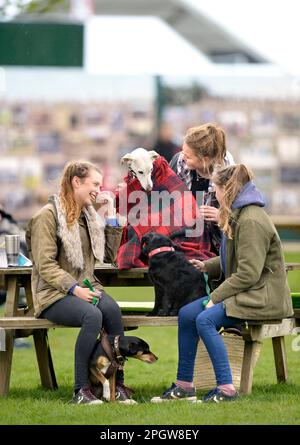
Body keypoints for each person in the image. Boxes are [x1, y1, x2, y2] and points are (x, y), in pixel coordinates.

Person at [151, 164, 293, 403]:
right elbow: (238, 258)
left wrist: (215, 298)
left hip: (262, 296)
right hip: (249, 291)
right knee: (187, 314)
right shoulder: (240, 214)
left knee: (205, 319)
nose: (213, 193)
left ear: (228, 189)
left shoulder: (251, 220)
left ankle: (226, 389)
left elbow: (248, 273)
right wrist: (207, 265)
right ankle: (184, 385)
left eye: (215, 188)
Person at [26, 160, 136, 405]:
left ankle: (116, 386)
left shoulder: (89, 217)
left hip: (86, 286)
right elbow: (45, 265)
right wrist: (75, 289)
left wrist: (113, 219)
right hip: (53, 293)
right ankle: (81, 390)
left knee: (112, 311)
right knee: (92, 317)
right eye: (94, 184)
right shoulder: (47, 216)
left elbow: (108, 257)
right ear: (76, 182)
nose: (99, 188)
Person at [169, 123, 235, 254]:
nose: (183, 157)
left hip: (217, 246)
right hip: (182, 240)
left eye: (188, 156)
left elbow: (241, 217)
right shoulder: (178, 164)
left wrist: (222, 217)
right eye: (183, 151)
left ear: (205, 160)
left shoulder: (230, 175)